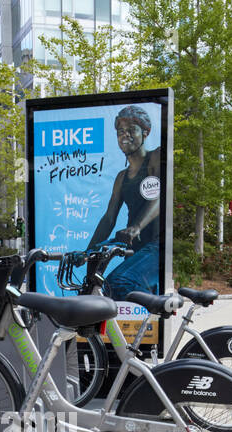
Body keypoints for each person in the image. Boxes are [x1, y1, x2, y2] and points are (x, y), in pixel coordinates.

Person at [86, 105, 162, 299]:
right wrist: (88, 252)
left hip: (156, 244)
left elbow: (160, 196)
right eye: (120, 132)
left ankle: (153, 315)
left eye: (131, 130)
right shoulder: (122, 177)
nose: (125, 135)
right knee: (104, 287)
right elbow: (109, 218)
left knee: (119, 282)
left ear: (145, 133)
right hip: (136, 248)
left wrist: (136, 226)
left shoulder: (155, 157)